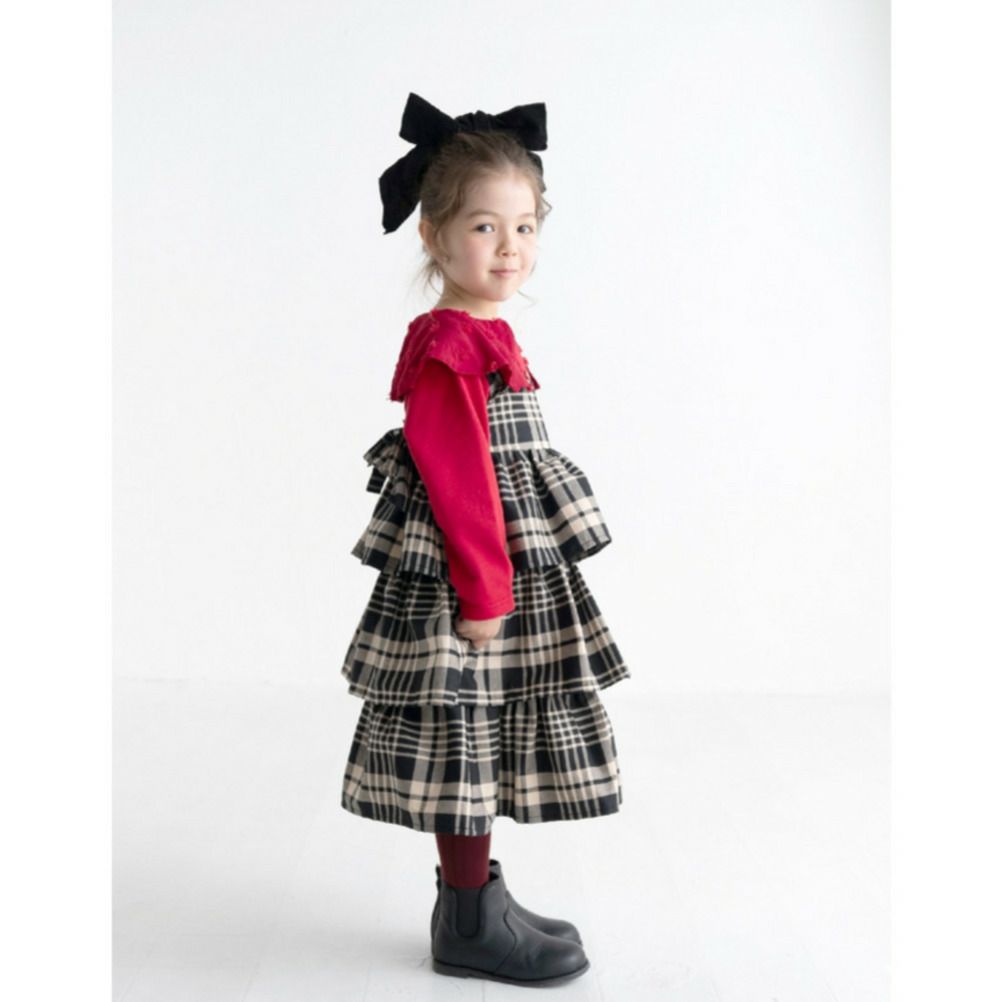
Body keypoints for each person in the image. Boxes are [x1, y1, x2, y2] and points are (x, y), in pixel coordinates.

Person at [339, 92, 632, 987]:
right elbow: (456, 473)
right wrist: (483, 589)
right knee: (463, 736)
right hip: (472, 574)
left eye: (525, 226)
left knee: (487, 730)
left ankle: (475, 899)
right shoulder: (450, 344)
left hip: (495, 565)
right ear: (433, 236)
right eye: (484, 226)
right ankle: (466, 920)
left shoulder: (483, 332)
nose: (510, 247)